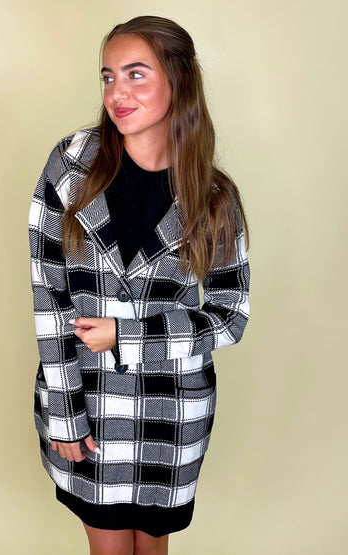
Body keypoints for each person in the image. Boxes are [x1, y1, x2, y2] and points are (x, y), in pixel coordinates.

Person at [29, 15, 250, 555]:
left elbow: (230, 316)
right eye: (108, 77)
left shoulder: (213, 197)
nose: (116, 93)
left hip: (170, 413)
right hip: (87, 401)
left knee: (153, 551)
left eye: (135, 75)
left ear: (179, 79)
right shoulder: (71, 167)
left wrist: (128, 336)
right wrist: (64, 413)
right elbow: (48, 295)